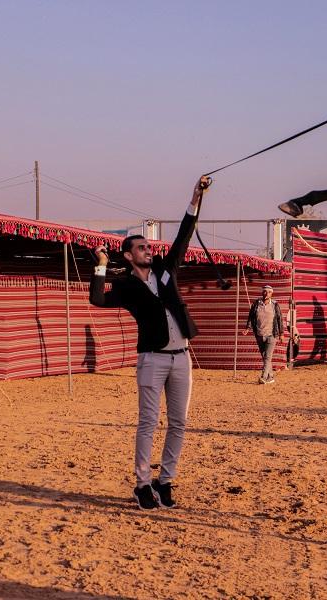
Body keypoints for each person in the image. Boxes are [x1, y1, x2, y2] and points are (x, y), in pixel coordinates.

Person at [90, 175, 209, 510]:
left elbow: (185, 234)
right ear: (128, 256)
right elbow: (98, 300)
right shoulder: (126, 286)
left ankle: (165, 480)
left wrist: (195, 196)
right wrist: (100, 266)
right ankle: (142, 483)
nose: (149, 249)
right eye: (141, 247)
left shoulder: (167, 269)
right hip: (152, 359)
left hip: (182, 357)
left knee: (179, 422)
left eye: (149, 246)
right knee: (147, 423)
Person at [244, 285, 284, 384]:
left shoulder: (275, 305)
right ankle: (270, 377)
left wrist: (281, 333)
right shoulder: (256, 304)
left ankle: (263, 377)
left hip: (272, 334)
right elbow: (251, 316)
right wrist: (247, 328)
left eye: (269, 292)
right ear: (262, 292)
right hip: (259, 334)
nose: (266, 293)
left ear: (272, 293)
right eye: (265, 291)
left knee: (267, 357)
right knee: (265, 356)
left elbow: (279, 319)